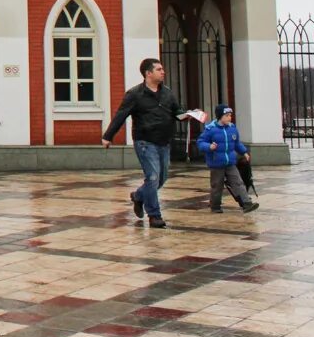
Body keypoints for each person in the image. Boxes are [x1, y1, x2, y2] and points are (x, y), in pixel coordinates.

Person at [101, 58, 184, 228]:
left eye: (162, 69)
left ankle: (138, 196)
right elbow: (121, 115)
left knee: (161, 179)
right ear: (148, 73)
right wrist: (108, 136)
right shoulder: (134, 94)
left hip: (164, 142)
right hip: (145, 142)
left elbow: (177, 111)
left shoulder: (167, 93)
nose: (163, 72)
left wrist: (188, 115)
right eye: (159, 69)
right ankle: (154, 215)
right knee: (152, 177)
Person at [196, 105, 259, 213]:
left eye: (230, 115)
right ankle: (215, 206)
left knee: (238, 182)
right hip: (216, 163)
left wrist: (244, 152)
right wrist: (209, 147)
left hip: (230, 162)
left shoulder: (232, 129)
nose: (230, 118)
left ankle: (246, 203)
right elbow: (200, 142)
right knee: (217, 185)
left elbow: (236, 143)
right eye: (227, 115)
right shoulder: (210, 129)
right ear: (220, 117)